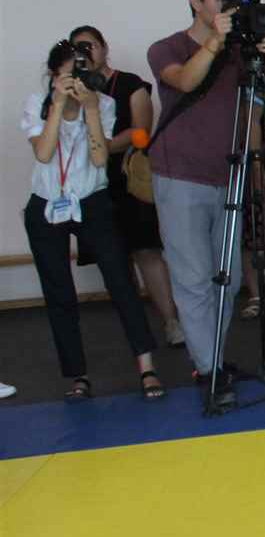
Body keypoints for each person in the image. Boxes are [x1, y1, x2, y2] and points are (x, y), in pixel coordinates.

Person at [147, 0, 265, 408]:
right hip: (179, 175)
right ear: (196, 2)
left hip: (229, 172)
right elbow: (185, 80)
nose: (229, 7)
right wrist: (217, 41)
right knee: (194, 278)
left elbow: (259, 102)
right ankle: (209, 369)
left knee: (230, 277)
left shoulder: (240, 50)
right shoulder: (167, 47)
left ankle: (212, 358)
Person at [23, 41, 163, 401]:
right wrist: (57, 105)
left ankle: (147, 367)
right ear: (54, 75)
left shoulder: (103, 102)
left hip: (92, 200)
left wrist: (90, 109)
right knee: (59, 292)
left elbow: (100, 159)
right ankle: (78, 376)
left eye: (85, 71)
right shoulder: (37, 102)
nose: (80, 79)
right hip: (47, 204)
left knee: (121, 281)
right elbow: (44, 153)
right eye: (72, 72)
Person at [67, 25, 181, 347]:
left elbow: (140, 132)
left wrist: (100, 145)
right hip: (90, 183)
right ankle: (137, 332)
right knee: (114, 260)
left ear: (104, 48)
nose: (85, 53)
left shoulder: (130, 83)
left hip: (129, 179)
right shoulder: (70, 89)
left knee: (147, 251)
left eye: (90, 46)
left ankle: (172, 322)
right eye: (78, 48)